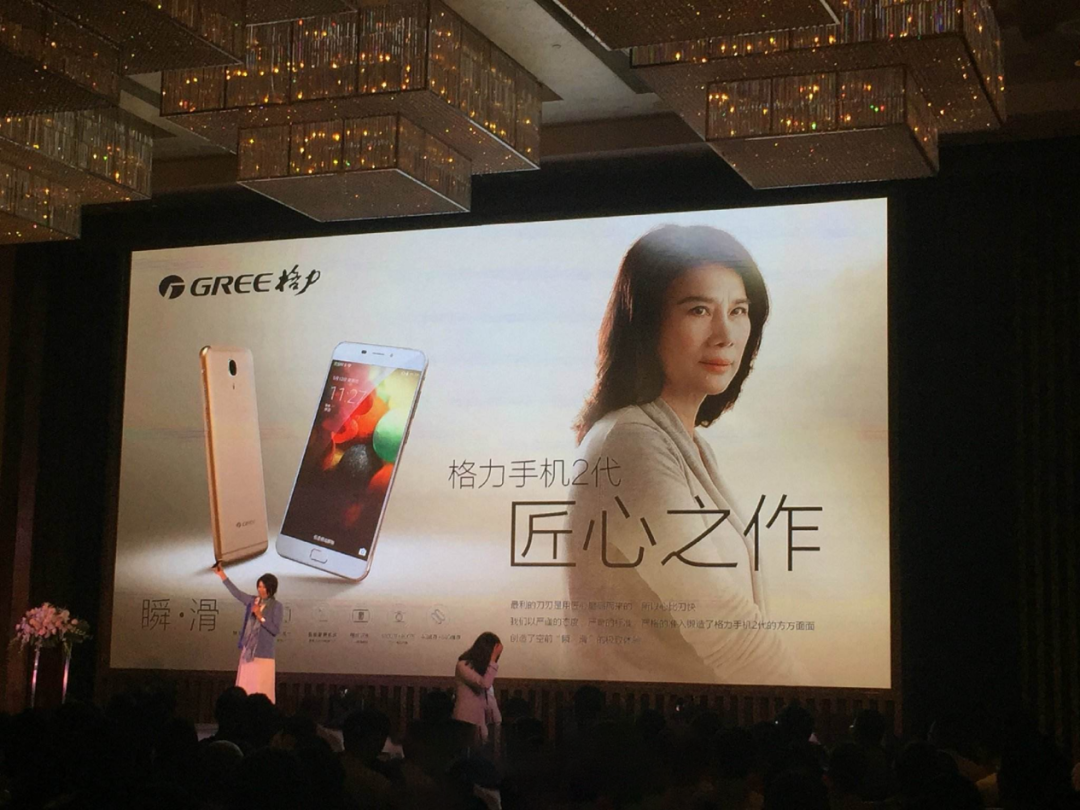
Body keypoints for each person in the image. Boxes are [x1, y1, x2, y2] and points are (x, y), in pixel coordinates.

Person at [568, 224, 797, 685]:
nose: (725, 334)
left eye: (738, 310)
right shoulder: (631, 441)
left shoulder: (685, 444)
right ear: (646, 323)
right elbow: (727, 631)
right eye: (698, 310)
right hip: (655, 720)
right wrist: (802, 713)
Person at [214, 564, 284, 703]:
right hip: (248, 652)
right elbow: (237, 594)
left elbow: (275, 630)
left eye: (264, 587)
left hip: (263, 655)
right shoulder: (253, 601)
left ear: (271, 588)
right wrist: (222, 575)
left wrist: (260, 616)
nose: (260, 590)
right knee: (245, 688)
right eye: (259, 586)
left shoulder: (277, 606)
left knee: (261, 690)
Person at [452, 632, 503, 746]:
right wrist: (493, 660)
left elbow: (489, 696)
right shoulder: (463, 665)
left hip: (487, 722)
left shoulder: (485, 669)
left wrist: (496, 720)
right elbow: (484, 684)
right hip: (467, 722)